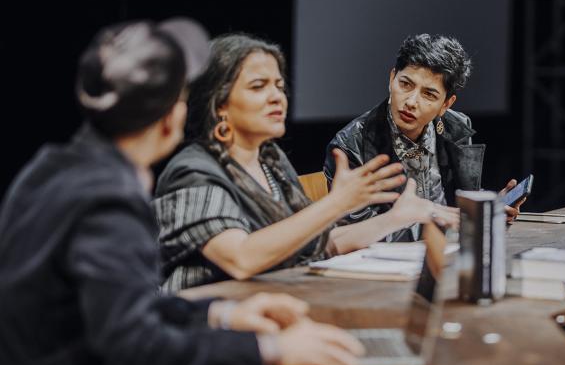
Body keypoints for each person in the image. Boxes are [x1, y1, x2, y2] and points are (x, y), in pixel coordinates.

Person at [0, 20, 366, 365]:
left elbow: (122, 306)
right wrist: (270, 349)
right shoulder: (111, 199)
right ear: (171, 117)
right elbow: (133, 348)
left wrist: (223, 313)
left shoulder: (49, 166)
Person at [154, 33, 446, 292]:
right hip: (206, 328)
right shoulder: (193, 171)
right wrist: (337, 204)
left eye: (279, 86)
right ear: (219, 104)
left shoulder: (270, 161)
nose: (277, 97)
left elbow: (319, 244)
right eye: (259, 86)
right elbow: (241, 259)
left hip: (273, 311)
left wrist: (396, 218)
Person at [325, 33, 523, 242]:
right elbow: (357, 231)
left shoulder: (456, 127)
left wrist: (488, 209)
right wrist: (447, 223)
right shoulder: (350, 144)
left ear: (445, 105)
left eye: (429, 94)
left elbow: (460, 199)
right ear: (392, 78)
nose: (411, 101)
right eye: (405, 84)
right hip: (386, 263)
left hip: (445, 251)